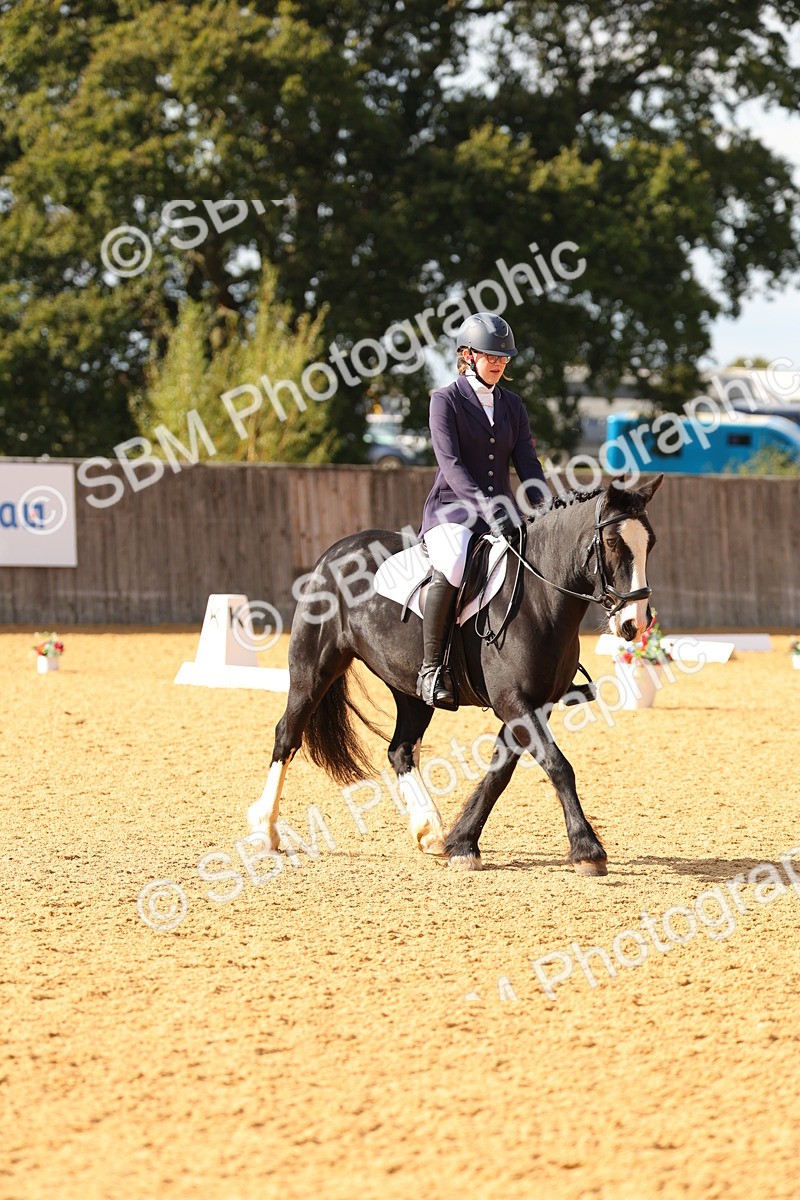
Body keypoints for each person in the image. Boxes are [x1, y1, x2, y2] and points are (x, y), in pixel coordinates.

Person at [417, 311, 549, 708]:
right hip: (452, 512)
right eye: (491, 356)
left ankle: (550, 665)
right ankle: (431, 669)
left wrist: (546, 507)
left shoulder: (513, 405)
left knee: (540, 559)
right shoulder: (445, 401)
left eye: (503, 358)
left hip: (503, 512)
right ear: (467, 355)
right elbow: (451, 465)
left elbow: (527, 463)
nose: (498, 363)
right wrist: (487, 508)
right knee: (456, 560)